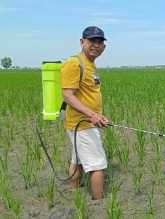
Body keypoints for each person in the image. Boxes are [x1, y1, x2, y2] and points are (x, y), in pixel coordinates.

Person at [60, 26, 108, 200]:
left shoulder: (90, 64)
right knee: (97, 165)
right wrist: (92, 115)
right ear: (82, 42)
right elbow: (67, 95)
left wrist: (98, 115)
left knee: (77, 160)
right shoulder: (74, 63)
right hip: (83, 124)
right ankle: (99, 205)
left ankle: (74, 195)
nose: (96, 45)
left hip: (85, 122)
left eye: (100, 41)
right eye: (92, 41)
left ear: (104, 46)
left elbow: (86, 94)